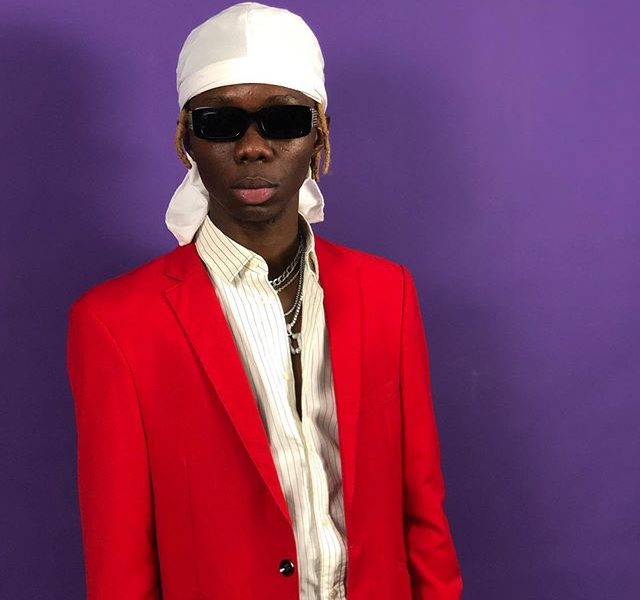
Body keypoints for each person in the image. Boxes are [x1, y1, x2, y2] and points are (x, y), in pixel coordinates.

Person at [66, 3, 463, 599]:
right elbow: (118, 562)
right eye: (221, 122)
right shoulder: (115, 324)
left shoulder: (389, 293)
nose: (253, 147)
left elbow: (423, 513)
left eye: (283, 120)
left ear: (319, 131)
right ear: (186, 139)